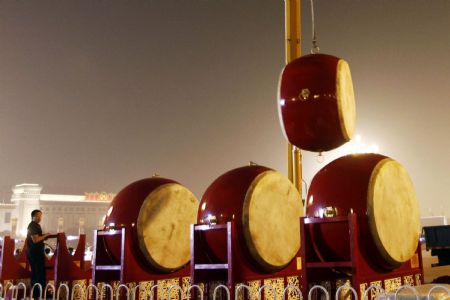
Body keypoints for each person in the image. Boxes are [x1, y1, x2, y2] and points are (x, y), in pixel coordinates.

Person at [26, 209, 51, 298]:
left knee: (37, 274)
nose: (40, 218)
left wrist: (44, 237)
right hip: (35, 253)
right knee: (38, 274)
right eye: (38, 216)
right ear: (33, 216)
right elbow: (35, 239)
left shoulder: (37, 226)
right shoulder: (32, 226)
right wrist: (45, 235)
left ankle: (37, 293)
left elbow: (38, 237)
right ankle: (41, 293)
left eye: (41, 216)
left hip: (37, 253)